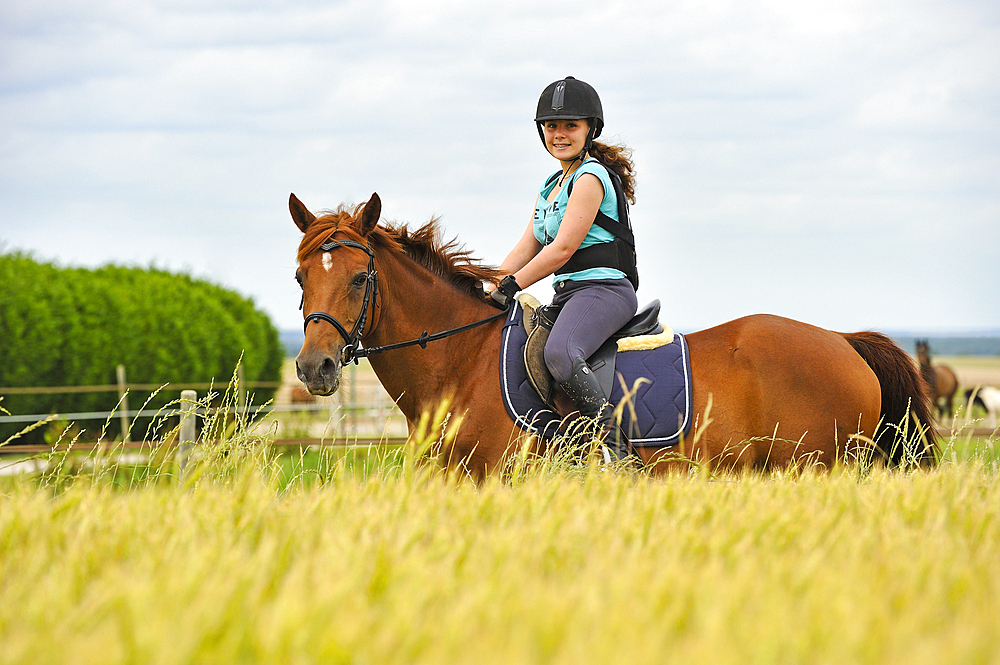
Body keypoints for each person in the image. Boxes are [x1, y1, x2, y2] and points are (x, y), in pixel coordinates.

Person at [488, 76, 639, 459]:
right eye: (551, 126)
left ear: (590, 129)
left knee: (559, 353)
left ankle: (616, 449)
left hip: (604, 291)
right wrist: (486, 283)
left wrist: (512, 286)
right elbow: (529, 244)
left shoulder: (590, 177)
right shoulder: (552, 184)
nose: (559, 134)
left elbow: (563, 248)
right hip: (569, 294)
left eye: (570, 125)